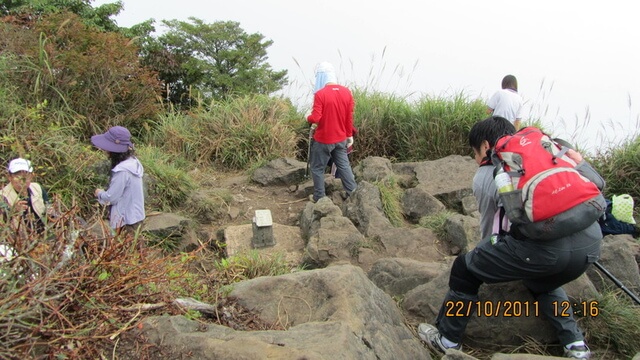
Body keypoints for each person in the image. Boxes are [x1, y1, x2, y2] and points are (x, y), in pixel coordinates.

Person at [418, 116, 603, 359]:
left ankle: (447, 339)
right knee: (544, 283)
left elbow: (489, 233)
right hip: (590, 244)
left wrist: (481, 260)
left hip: (544, 253)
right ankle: (576, 345)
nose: (475, 159)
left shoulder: (488, 174)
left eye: (474, 152)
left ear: (485, 147)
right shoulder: (547, 155)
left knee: (464, 269)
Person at [307, 61, 357, 202]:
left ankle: (320, 198)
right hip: (341, 139)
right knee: (344, 166)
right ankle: (353, 194)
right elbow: (349, 117)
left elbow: (315, 118)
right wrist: (349, 135)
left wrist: (307, 117)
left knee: (317, 168)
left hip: (323, 139)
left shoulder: (320, 94)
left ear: (321, 77)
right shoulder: (347, 92)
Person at [91, 126, 145, 235]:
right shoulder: (134, 162)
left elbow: (112, 198)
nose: (106, 151)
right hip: (136, 217)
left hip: (126, 222)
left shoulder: (122, 171)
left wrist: (99, 193)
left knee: (126, 250)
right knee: (135, 250)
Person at [1, 157, 53, 234]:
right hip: (18, 240)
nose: (22, 179)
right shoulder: (2, 196)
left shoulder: (37, 188)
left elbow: (49, 209)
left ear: (32, 176)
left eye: (26, 175)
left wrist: (52, 213)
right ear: (9, 177)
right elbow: (2, 225)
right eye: (17, 175)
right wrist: (13, 211)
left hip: (44, 235)